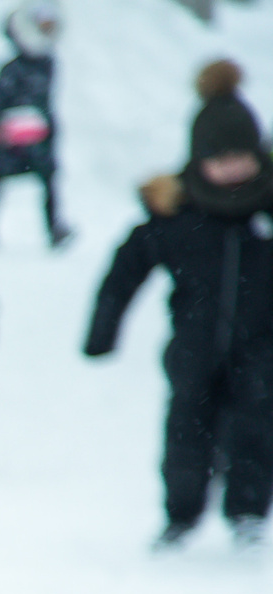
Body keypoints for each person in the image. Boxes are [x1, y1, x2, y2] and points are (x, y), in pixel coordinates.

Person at [85, 60, 273, 550]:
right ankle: (181, 512)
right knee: (187, 433)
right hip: (193, 347)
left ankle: (248, 511)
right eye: (220, 158)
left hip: (262, 348)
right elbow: (126, 268)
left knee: (256, 428)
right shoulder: (180, 215)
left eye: (242, 157)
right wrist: (103, 329)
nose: (233, 168)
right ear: (198, 159)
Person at [0, 2, 70, 248]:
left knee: (48, 182)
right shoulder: (13, 68)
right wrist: (0, 125)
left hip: (38, 136)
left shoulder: (48, 64)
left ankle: (54, 229)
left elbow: (45, 101)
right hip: (13, 136)